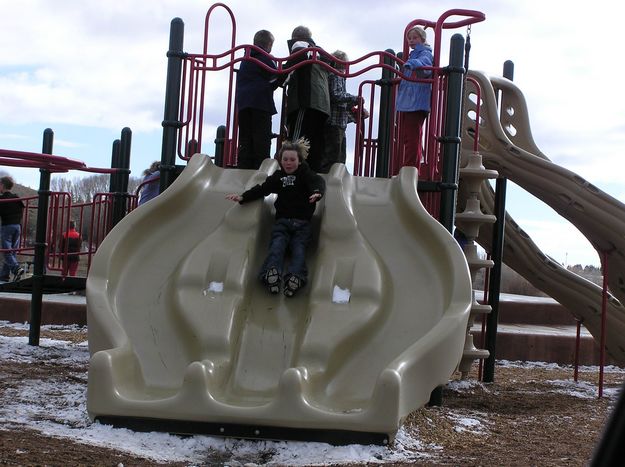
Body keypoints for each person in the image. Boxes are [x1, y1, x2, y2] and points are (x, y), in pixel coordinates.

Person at [226, 138, 325, 297]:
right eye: (285, 159)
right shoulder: (278, 177)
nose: (288, 163)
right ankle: (271, 273)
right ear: (280, 161)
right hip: (283, 222)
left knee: (299, 250)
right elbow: (263, 189)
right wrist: (243, 197)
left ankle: (295, 276)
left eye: (292, 159)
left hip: (302, 224)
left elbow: (317, 181)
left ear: (299, 161)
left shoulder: (305, 174)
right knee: (276, 247)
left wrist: (317, 193)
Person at [284, 26, 331, 173]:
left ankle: (294, 176)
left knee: (297, 142)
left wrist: (277, 78)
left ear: (296, 38)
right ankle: (314, 176)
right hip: (322, 105)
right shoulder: (321, 53)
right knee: (314, 143)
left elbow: (288, 68)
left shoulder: (300, 46)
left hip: (305, 101)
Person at [235, 29, 280, 170]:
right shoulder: (264, 58)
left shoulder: (245, 59)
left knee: (245, 139)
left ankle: (243, 168)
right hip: (260, 104)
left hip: (243, 104)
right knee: (261, 139)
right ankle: (260, 170)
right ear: (269, 44)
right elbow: (276, 77)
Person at [395, 26, 433, 175]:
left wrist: (414, 64)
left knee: (413, 138)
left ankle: (411, 169)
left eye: (415, 38)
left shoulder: (424, 53)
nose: (411, 41)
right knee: (407, 137)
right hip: (409, 102)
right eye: (409, 38)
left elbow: (425, 65)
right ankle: (409, 167)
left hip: (416, 103)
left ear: (422, 39)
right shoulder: (412, 56)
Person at [322, 50, 363, 173]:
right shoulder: (336, 75)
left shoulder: (333, 75)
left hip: (337, 121)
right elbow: (335, 95)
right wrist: (354, 98)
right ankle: (332, 177)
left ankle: (335, 176)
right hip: (335, 122)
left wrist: (353, 106)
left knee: (338, 154)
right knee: (334, 155)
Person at [0, 176, 25, 282]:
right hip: (17, 226)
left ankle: (16, 268)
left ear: (2, 185)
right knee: (12, 251)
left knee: (7, 251)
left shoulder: (2, 199)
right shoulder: (17, 198)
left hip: (7, 226)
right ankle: (5, 274)